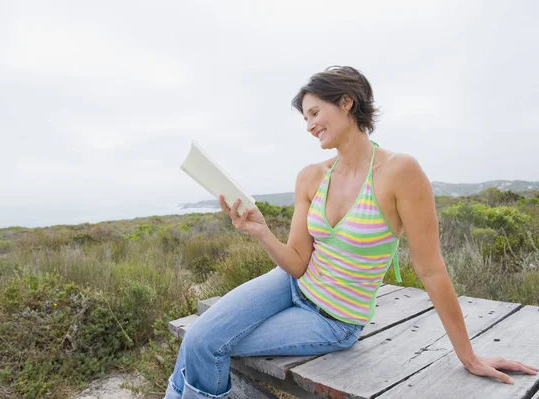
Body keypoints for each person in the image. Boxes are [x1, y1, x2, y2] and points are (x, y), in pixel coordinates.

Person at [164, 66, 538, 399]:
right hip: (290, 284)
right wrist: (261, 231)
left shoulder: (399, 172)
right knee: (199, 338)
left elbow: (431, 270)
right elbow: (296, 264)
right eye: (305, 118)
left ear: (346, 103)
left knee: (206, 344)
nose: (309, 125)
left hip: (333, 319)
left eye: (314, 112)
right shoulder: (311, 176)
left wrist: (467, 355)